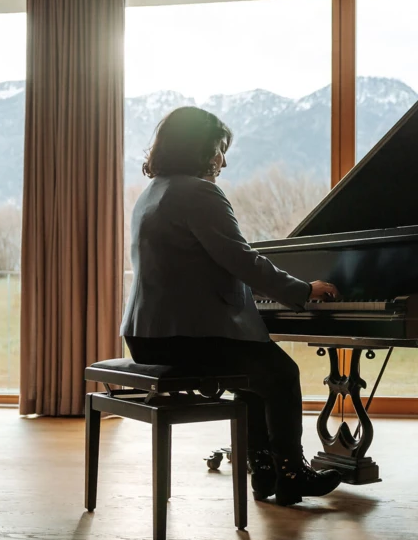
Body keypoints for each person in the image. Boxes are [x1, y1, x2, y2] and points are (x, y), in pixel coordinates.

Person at [120, 106, 342, 506]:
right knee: (281, 372)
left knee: (254, 375)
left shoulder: (152, 193)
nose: (224, 160)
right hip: (182, 336)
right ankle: (292, 473)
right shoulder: (199, 192)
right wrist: (303, 289)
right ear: (198, 148)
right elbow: (242, 259)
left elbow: (199, 266)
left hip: (147, 335)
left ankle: (264, 472)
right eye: (219, 149)